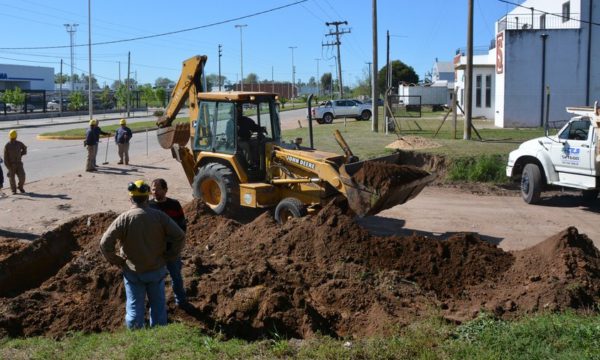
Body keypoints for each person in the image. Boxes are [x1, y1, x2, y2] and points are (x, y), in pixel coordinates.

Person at [100, 180, 185, 329]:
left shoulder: (124, 219)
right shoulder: (159, 216)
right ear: (147, 197)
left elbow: (104, 244)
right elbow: (180, 236)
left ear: (130, 198)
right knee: (158, 307)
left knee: (134, 308)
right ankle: (159, 336)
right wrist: (169, 256)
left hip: (133, 272)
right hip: (156, 269)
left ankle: (135, 337)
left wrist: (118, 260)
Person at [149, 178, 188, 307]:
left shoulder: (174, 205)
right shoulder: (148, 206)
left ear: (165, 190)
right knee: (156, 279)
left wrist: (175, 244)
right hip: (155, 251)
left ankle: (181, 301)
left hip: (172, 250)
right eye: (153, 189)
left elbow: (182, 226)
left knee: (176, 276)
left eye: (158, 189)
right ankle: (157, 305)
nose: (155, 192)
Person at [3, 129, 27, 194]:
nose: (13, 139)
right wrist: (9, 167)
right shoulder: (7, 145)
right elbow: (5, 158)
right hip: (11, 165)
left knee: (22, 177)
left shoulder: (19, 143)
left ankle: (20, 187)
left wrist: (21, 154)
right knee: (12, 179)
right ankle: (14, 190)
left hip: (19, 164)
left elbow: (24, 148)